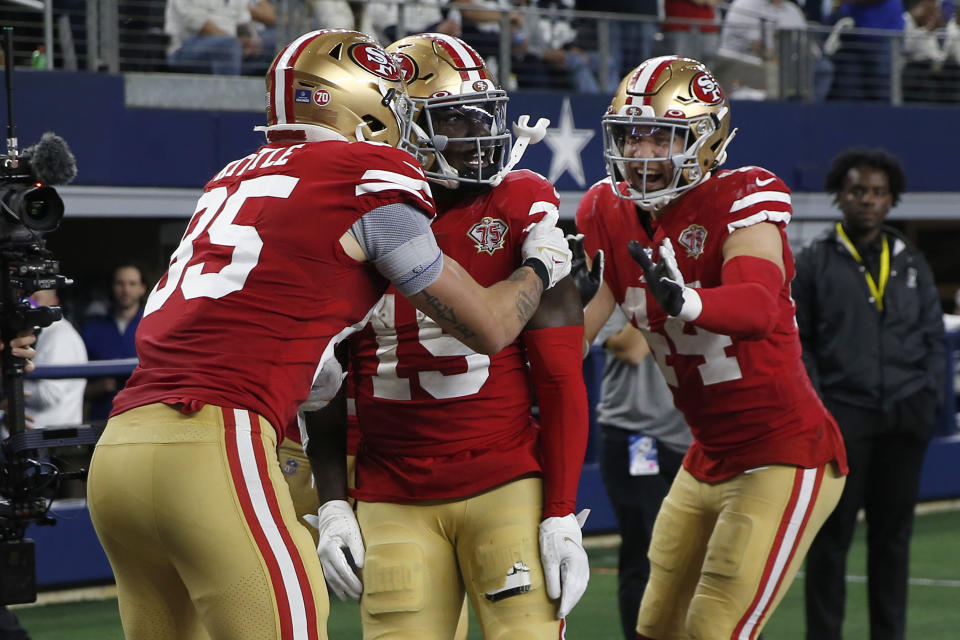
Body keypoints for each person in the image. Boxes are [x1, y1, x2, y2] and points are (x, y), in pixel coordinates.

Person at [85, 29, 571, 640]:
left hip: (119, 449)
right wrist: (542, 262)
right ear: (363, 106)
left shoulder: (230, 179)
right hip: (213, 439)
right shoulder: (368, 173)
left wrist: (307, 353)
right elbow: (489, 326)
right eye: (394, 102)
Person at [303, 32, 590, 638]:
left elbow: (562, 378)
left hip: (504, 480)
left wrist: (561, 512)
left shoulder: (522, 203)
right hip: (390, 489)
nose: (479, 135)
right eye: (455, 120)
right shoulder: (351, 209)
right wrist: (332, 504)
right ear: (397, 126)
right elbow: (323, 381)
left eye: (481, 116)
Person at [575, 55, 848, 639]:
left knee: (714, 627)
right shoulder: (605, 207)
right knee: (654, 624)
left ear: (706, 139)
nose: (643, 155)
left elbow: (757, 305)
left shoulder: (745, 195)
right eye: (632, 137)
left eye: (662, 138)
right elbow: (577, 333)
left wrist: (688, 301)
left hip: (784, 451)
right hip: (705, 454)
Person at [796, 147, 945, 640]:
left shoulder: (911, 261)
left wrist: (926, 404)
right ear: (840, 195)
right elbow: (802, 345)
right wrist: (823, 411)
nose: (868, 200)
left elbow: (932, 338)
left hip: (904, 420)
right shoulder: (814, 261)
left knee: (893, 542)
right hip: (843, 421)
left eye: (879, 193)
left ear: (892, 200)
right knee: (830, 540)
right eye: (858, 190)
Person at [594, 308, 692, 640]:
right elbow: (632, 349)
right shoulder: (614, 292)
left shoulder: (700, 277)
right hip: (637, 438)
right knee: (646, 552)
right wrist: (658, 292)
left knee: (714, 555)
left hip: (694, 438)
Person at [81, 263, 145, 422]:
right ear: (112, 286)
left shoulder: (156, 325)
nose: (126, 289)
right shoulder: (92, 329)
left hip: (145, 417)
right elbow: (72, 387)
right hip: (103, 419)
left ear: (142, 288)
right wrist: (94, 388)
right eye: (120, 283)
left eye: (132, 283)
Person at [23, 289, 87, 429]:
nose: (29, 304)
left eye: (36, 299)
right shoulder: (39, 332)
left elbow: (50, 394)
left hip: (51, 439)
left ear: (54, 303)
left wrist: (13, 389)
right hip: (36, 436)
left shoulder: (60, 336)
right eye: (27, 299)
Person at [164, 0, 264, 75]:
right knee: (227, 46)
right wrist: (237, 43)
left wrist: (251, 41)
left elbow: (243, 22)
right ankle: (228, 98)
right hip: (184, 48)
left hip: (232, 46)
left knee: (270, 45)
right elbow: (199, 24)